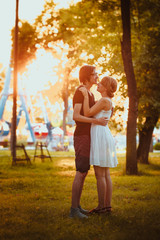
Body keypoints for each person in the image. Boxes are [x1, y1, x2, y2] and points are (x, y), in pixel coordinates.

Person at [69, 65, 108, 219]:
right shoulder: (81, 91)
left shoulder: (89, 93)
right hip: (82, 136)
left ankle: (77, 207)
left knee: (84, 172)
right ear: (86, 77)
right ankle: (73, 210)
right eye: (94, 74)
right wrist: (96, 121)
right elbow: (76, 116)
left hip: (88, 135)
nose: (97, 76)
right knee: (80, 171)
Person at [79, 76, 118, 214]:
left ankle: (101, 207)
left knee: (100, 175)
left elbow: (88, 113)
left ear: (106, 87)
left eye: (101, 83)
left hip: (100, 136)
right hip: (103, 134)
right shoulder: (108, 101)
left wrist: (84, 96)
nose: (98, 84)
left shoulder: (103, 100)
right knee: (105, 174)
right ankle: (107, 206)